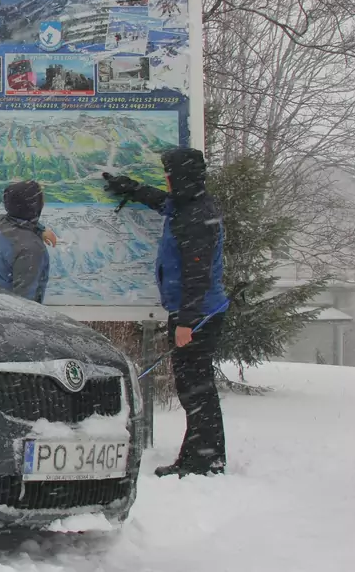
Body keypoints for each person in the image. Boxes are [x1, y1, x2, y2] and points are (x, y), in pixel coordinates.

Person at [103, 148, 228, 477]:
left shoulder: (196, 217)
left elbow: (197, 275)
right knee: (195, 388)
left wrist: (186, 323)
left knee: (195, 389)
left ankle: (204, 461)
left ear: (181, 176)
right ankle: (203, 457)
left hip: (199, 314)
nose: (166, 180)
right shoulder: (187, 204)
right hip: (195, 311)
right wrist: (129, 187)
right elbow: (162, 201)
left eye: (169, 174)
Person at [0, 180, 58, 303]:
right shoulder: (31, 250)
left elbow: (19, 221)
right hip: (11, 312)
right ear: (34, 206)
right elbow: (24, 302)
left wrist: (40, 230)